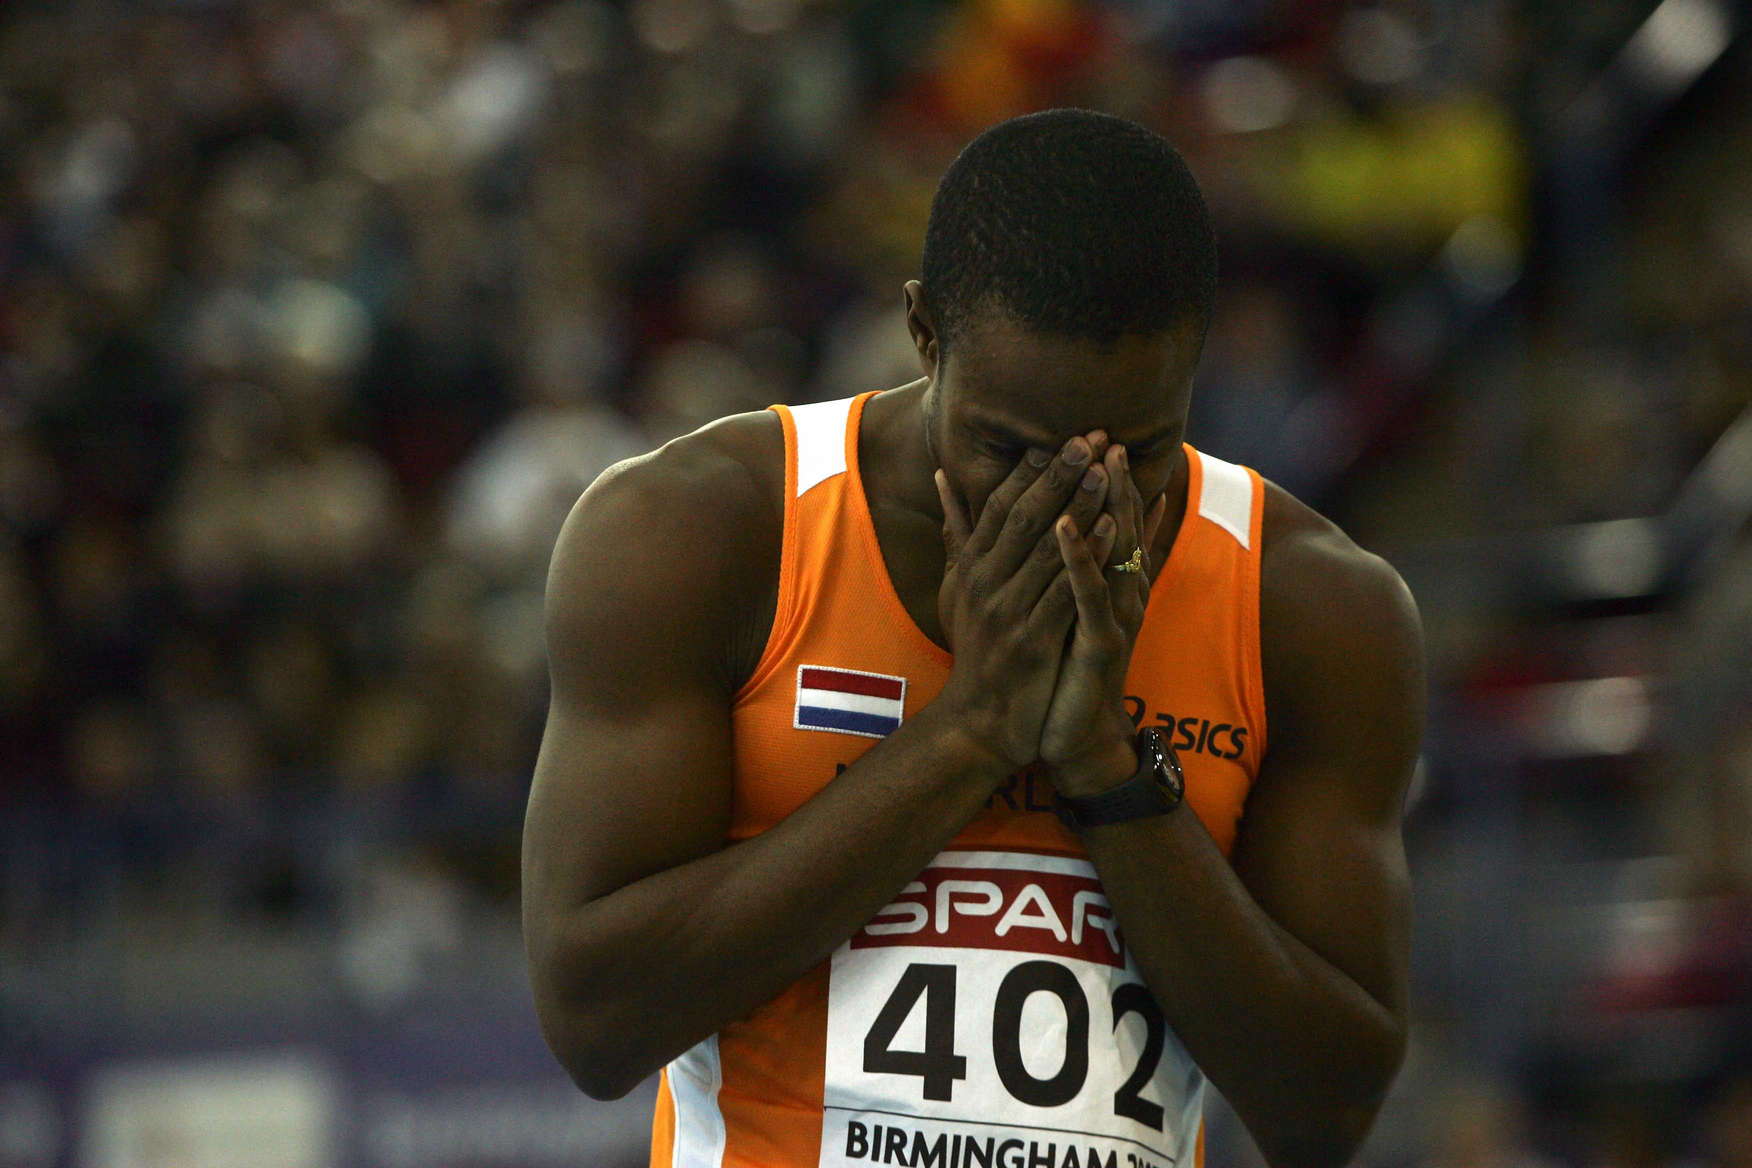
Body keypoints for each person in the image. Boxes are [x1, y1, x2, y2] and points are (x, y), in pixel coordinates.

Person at [522, 109, 1424, 1168]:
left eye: (1136, 455)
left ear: (1196, 362)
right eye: (1007, 448)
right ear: (923, 332)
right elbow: (596, 1021)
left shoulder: (1313, 608)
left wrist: (1109, 771)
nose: (1065, 504)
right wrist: (973, 731)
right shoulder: (702, 531)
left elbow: (1326, 1116)